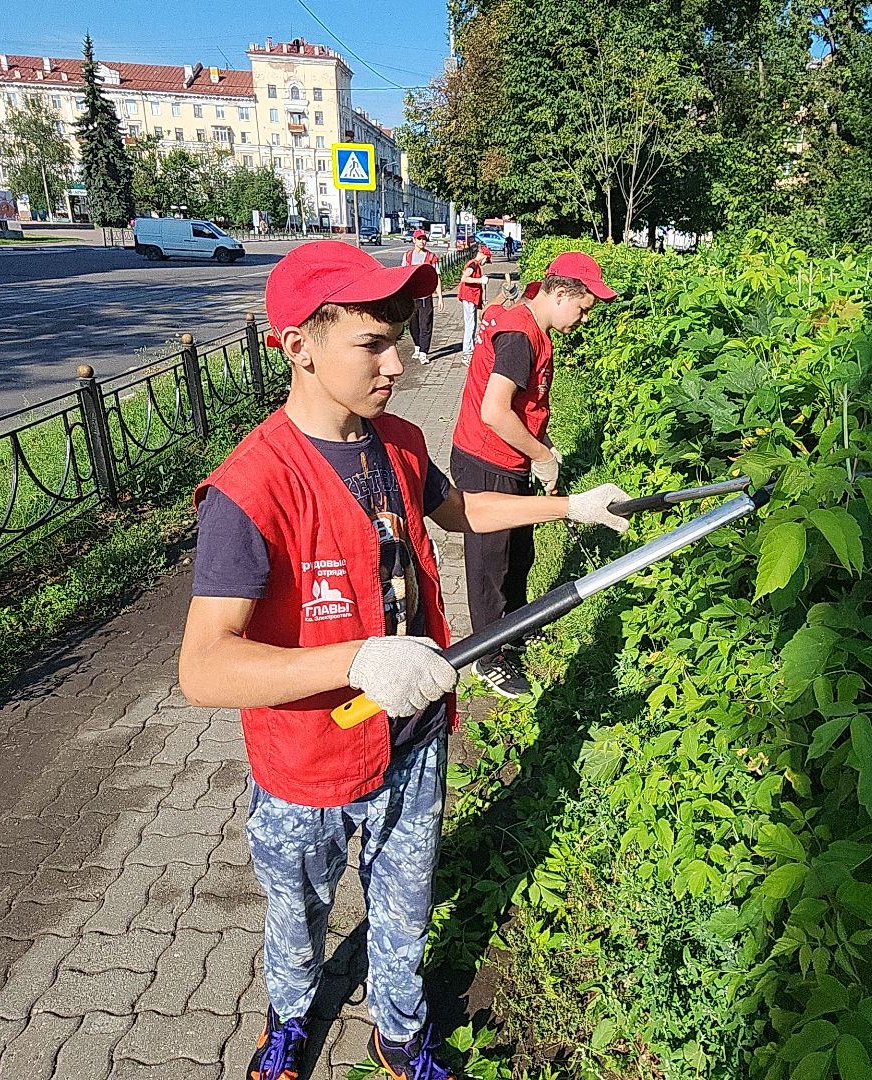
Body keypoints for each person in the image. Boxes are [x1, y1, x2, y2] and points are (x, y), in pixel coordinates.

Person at [176, 241, 630, 1080]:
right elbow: (204, 668)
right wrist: (355, 661)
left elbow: (460, 511)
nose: (402, 359)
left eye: (402, 335)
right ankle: (289, 1019)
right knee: (298, 913)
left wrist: (570, 504)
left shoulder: (400, 443)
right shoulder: (252, 488)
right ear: (298, 347)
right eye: (374, 343)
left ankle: (398, 1032)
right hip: (307, 763)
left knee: (404, 908)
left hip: (414, 742)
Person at [448, 251, 616, 697]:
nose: (582, 319)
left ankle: (515, 629)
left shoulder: (529, 319)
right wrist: (542, 455)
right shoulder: (521, 337)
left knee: (519, 555)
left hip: (509, 461)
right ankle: (488, 657)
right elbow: (494, 411)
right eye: (582, 309)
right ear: (560, 293)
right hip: (487, 462)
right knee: (491, 565)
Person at [399, 229, 439, 364]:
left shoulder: (431, 257)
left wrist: (439, 296)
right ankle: (417, 346)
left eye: (424, 239)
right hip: (411, 295)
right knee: (413, 324)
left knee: (425, 324)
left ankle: (424, 352)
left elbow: (436, 277)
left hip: (425, 295)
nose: (422, 241)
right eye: (419, 239)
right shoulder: (408, 256)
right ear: (414, 240)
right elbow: (402, 274)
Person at [455, 244, 491, 356]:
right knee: (470, 325)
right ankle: (467, 351)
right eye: (487, 260)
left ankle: (470, 347)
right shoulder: (473, 264)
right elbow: (464, 278)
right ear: (483, 256)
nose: (486, 263)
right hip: (469, 297)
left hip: (472, 298)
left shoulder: (475, 265)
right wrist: (480, 280)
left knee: (472, 324)